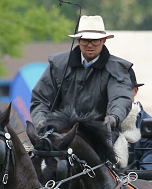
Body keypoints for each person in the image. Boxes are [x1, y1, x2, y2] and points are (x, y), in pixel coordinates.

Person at [30, 15, 133, 165]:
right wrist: (41, 120)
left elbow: (120, 98)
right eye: (85, 40)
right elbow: (40, 99)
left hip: (100, 136)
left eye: (95, 40)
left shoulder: (117, 68)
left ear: (103, 41)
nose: (90, 45)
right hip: (60, 135)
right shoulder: (58, 65)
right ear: (78, 41)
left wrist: (114, 116)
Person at [117, 70, 152, 170]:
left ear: (135, 91)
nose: (117, 95)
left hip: (134, 183)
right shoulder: (97, 124)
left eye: (124, 89)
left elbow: (148, 172)